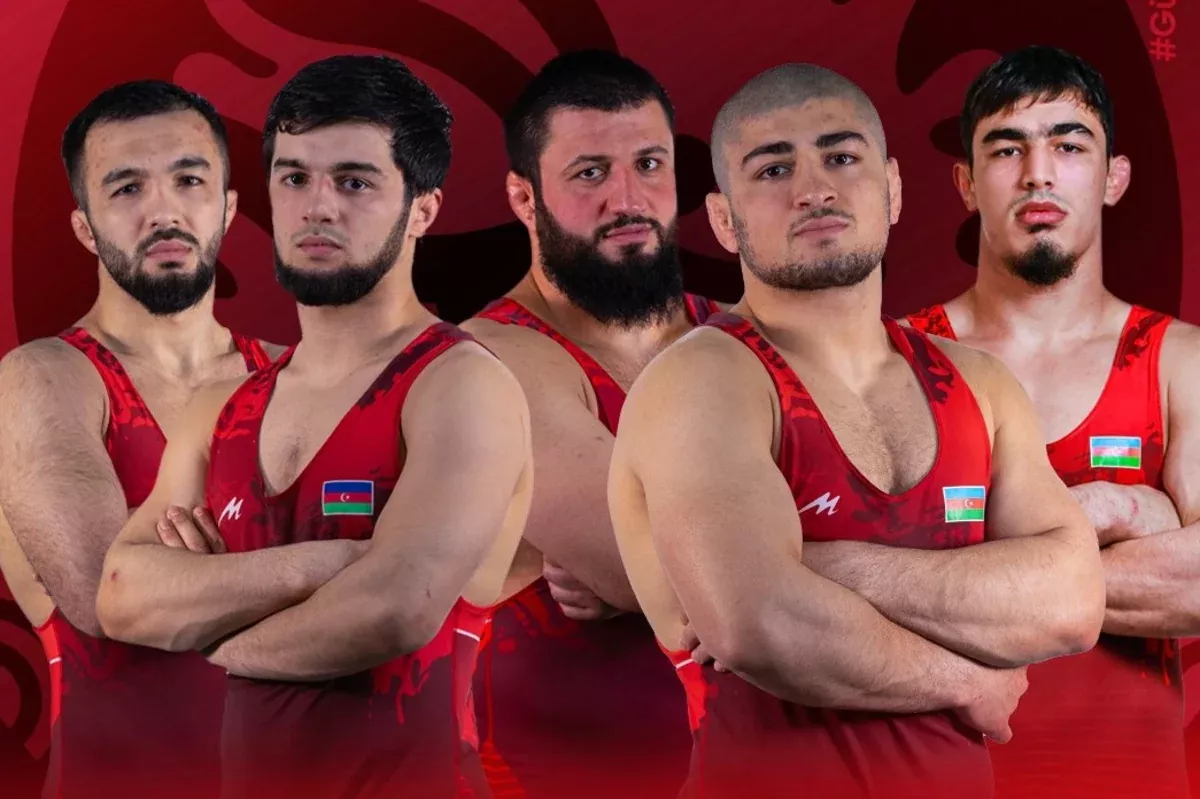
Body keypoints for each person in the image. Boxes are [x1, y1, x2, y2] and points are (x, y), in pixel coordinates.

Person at [607, 63, 1107, 799]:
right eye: (774, 169)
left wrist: (823, 565)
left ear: (894, 189)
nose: (814, 190)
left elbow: (1071, 601)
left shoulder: (978, 384)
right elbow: (760, 623)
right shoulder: (703, 380)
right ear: (722, 218)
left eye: (841, 157)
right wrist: (968, 680)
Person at [95, 56, 533, 799]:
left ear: (422, 210)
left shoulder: (460, 384)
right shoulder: (221, 407)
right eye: (295, 177)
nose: (317, 207)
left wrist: (206, 628)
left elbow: (392, 611)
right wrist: (322, 565)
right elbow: (121, 595)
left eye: (354, 182)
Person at [906, 45, 1200, 799]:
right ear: (967, 183)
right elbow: (811, 574)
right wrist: (1129, 513)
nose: (1038, 173)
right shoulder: (892, 358)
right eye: (1007, 149)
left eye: (1069, 146)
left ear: (1114, 178)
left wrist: (949, 571)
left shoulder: (1179, 360)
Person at [0, 80, 277, 799]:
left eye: (189, 180)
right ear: (85, 227)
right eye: (126, 188)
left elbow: (419, 581)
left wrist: (195, 566)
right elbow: (112, 599)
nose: (163, 211)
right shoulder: (43, 378)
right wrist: (346, 560)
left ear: (228, 208)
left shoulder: (293, 372)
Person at [461, 50, 717, 799]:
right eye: (589, 173)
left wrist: (663, 562)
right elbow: (685, 582)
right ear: (523, 196)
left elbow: (689, 575)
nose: (627, 199)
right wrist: (654, 564)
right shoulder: (488, 361)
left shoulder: (740, 337)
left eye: (649, 164)